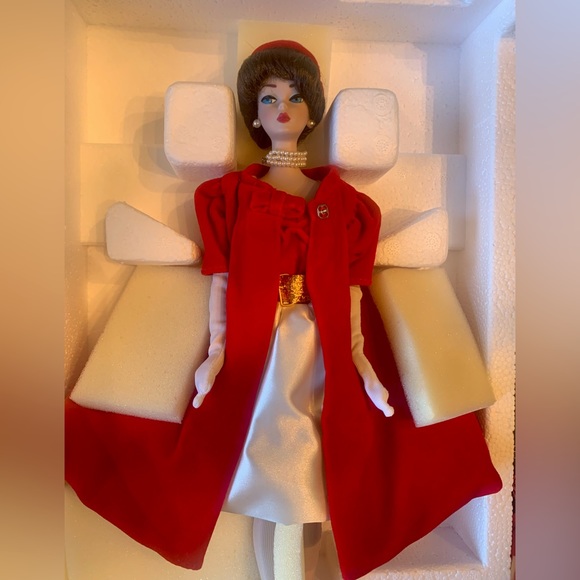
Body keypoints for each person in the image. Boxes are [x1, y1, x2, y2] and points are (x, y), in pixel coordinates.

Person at [65, 40, 502, 580]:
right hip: (262, 353)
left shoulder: (350, 208)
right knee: (271, 483)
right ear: (254, 114)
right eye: (269, 98)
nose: (283, 109)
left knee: (318, 483)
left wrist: (362, 361)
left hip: (322, 353)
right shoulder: (227, 198)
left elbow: (351, 293)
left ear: (312, 110)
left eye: (295, 97)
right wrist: (217, 352)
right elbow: (222, 284)